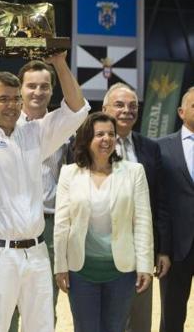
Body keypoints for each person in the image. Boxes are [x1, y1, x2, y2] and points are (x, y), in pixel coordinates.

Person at [0, 38, 89, 332]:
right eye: (3, 99)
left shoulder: (33, 134)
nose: (12, 105)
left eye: (16, 99)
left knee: (41, 327)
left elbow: (77, 111)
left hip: (37, 253)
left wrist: (60, 63)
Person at [54, 112, 153, 332]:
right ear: (87, 139)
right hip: (81, 271)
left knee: (115, 328)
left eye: (111, 134)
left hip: (121, 272)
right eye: (99, 134)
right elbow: (62, 224)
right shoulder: (69, 173)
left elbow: (143, 221)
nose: (106, 139)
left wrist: (145, 265)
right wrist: (60, 266)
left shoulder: (134, 172)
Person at [100, 82, 170, 332]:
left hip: (140, 247)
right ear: (105, 108)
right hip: (99, 246)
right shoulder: (86, 145)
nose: (127, 110)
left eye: (132, 106)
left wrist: (162, 250)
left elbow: (160, 201)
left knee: (139, 320)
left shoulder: (151, 148)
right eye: (119, 105)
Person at [8, 59, 69, 331]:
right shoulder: (5, 127)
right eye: (31, 86)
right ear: (20, 90)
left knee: (45, 300)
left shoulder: (63, 130)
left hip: (51, 221)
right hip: (11, 223)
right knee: (7, 303)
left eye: (44, 86)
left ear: (52, 90)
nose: (38, 92)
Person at [158, 86, 194, 332]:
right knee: (171, 318)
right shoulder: (160, 147)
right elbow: (159, 203)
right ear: (181, 112)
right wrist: (162, 250)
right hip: (176, 250)